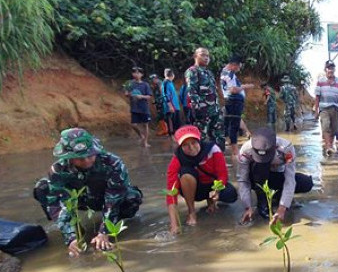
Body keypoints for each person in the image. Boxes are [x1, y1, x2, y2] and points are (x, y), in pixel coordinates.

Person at [33, 128, 143, 257]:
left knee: (132, 197)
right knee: (42, 187)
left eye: (90, 155)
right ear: (69, 157)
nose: (86, 161)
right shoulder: (58, 170)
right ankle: (77, 230)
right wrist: (70, 237)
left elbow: (113, 200)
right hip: (79, 201)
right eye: (79, 158)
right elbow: (56, 204)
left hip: (103, 199)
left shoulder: (113, 163)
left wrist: (104, 232)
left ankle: (115, 224)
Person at [165, 125, 238, 235]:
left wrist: (216, 192)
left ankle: (211, 201)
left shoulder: (213, 150)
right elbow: (171, 192)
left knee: (230, 194)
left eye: (193, 143)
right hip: (194, 190)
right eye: (185, 145)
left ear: (199, 141)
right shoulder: (177, 159)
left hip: (211, 186)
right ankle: (192, 212)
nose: (191, 147)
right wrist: (174, 225)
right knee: (186, 174)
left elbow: (222, 176)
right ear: (180, 146)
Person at [238, 127, 314, 223]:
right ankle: (262, 202)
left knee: (306, 183)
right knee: (261, 167)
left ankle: (279, 196)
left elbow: (289, 179)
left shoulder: (286, 148)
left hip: (278, 176)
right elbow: (243, 180)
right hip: (257, 178)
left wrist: (282, 207)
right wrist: (247, 206)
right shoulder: (245, 151)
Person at [185, 47, 226, 151]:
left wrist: (218, 108)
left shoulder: (209, 72)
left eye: (208, 56)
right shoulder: (192, 71)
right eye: (203, 55)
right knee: (201, 137)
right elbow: (192, 91)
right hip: (202, 111)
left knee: (219, 136)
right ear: (195, 56)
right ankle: (201, 161)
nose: (206, 58)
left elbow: (213, 92)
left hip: (215, 110)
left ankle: (218, 158)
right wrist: (198, 108)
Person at [220, 55, 254, 159]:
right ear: (234, 65)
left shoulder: (227, 72)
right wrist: (245, 86)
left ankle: (232, 149)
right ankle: (235, 153)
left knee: (231, 123)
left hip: (233, 101)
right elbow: (233, 90)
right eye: (239, 67)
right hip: (234, 101)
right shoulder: (229, 73)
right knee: (233, 126)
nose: (239, 69)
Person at [314, 60, 338, 155]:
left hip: (335, 108)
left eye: (332, 68)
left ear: (334, 69)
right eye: (329, 68)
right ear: (325, 69)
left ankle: (330, 145)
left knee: (335, 128)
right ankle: (328, 146)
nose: (330, 70)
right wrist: (316, 110)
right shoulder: (320, 81)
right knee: (326, 126)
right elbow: (317, 96)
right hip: (324, 108)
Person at [124, 66, 153, 147]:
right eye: (134, 72)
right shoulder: (129, 83)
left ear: (142, 74)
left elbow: (149, 96)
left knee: (145, 125)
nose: (136, 74)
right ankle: (141, 135)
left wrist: (142, 97)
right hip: (134, 107)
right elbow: (126, 93)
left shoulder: (145, 85)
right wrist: (129, 94)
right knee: (133, 125)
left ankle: (145, 142)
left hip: (144, 107)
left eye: (138, 73)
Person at [162, 68, 181, 138]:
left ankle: (176, 137)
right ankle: (172, 138)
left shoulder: (170, 83)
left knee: (177, 124)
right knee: (171, 124)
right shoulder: (166, 83)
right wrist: (170, 106)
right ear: (172, 75)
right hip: (171, 107)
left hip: (175, 107)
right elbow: (166, 95)